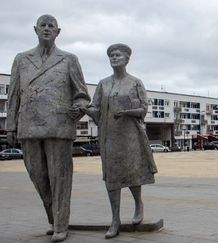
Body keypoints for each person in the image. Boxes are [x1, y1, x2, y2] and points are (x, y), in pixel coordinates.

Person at [6, 15, 90, 242]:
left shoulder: (69, 59)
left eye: (50, 26)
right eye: (42, 25)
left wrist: (79, 109)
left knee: (59, 177)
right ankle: (54, 218)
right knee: (38, 176)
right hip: (29, 126)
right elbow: (13, 94)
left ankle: (61, 224)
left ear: (58, 31)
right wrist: (11, 126)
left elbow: (82, 95)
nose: (46, 29)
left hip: (59, 125)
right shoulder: (21, 59)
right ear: (35, 29)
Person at [81, 43, 158, 239]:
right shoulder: (103, 84)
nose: (114, 58)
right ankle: (115, 219)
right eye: (111, 56)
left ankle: (138, 204)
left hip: (130, 135)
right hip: (109, 136)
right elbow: (96, 110)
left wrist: (128, 112)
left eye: (118, 55)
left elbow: (143, 110)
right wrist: (83, 109)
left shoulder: (135, 82)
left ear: (127, 59)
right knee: (112, 178)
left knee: (132, 173)